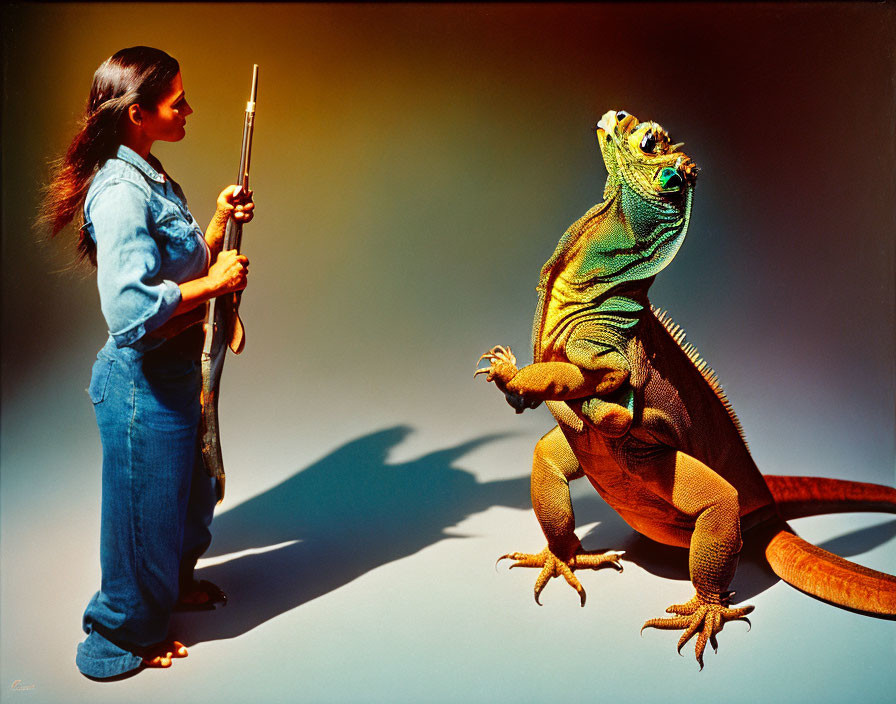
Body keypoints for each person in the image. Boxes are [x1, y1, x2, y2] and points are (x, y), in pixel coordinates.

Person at [39, 46, 254, 679]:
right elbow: (130, 308)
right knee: (145, 512)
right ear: (137, 113)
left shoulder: (150, 173)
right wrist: (215, 286)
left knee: (192, 493)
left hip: (177, 372)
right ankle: (120, 636)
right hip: (140, 384)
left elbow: (173, 266)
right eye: (176, 101)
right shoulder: (118, 192)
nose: (188, 108)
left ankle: (173, 585)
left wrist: (215, 223)